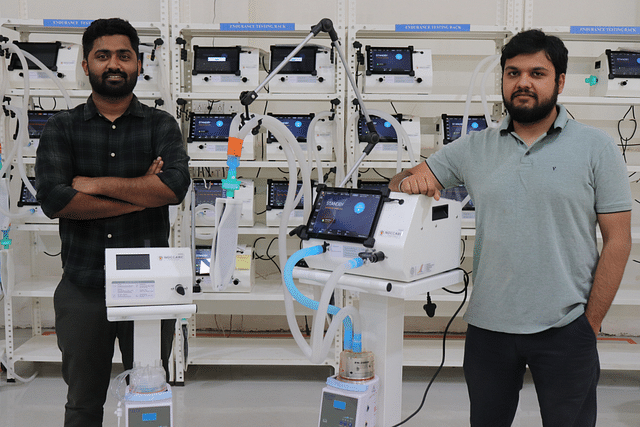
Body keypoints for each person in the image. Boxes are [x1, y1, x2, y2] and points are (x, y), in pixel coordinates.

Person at [390, 29, 632, 426]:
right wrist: (408, 182)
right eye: (513, 72)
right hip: (489, 329)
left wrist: (590, 324)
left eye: (537, 73)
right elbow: (402, 181)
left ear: (560, 82)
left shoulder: (596, 148)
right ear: (502, 80)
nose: (523, 82)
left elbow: (618, 242)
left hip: (566, 327)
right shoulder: (474, 147)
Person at [35, 18, 190, 427]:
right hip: (84, 284)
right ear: (86, 65)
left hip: (150, 288)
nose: (114, 64)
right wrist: (141, 192)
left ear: (139, 63)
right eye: (102, 55)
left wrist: (96, 185)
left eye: (124, 55)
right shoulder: (61, 127)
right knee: (83, 403)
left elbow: (174, 188)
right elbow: (55, 199)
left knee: (150, 395)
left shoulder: (161, 125)